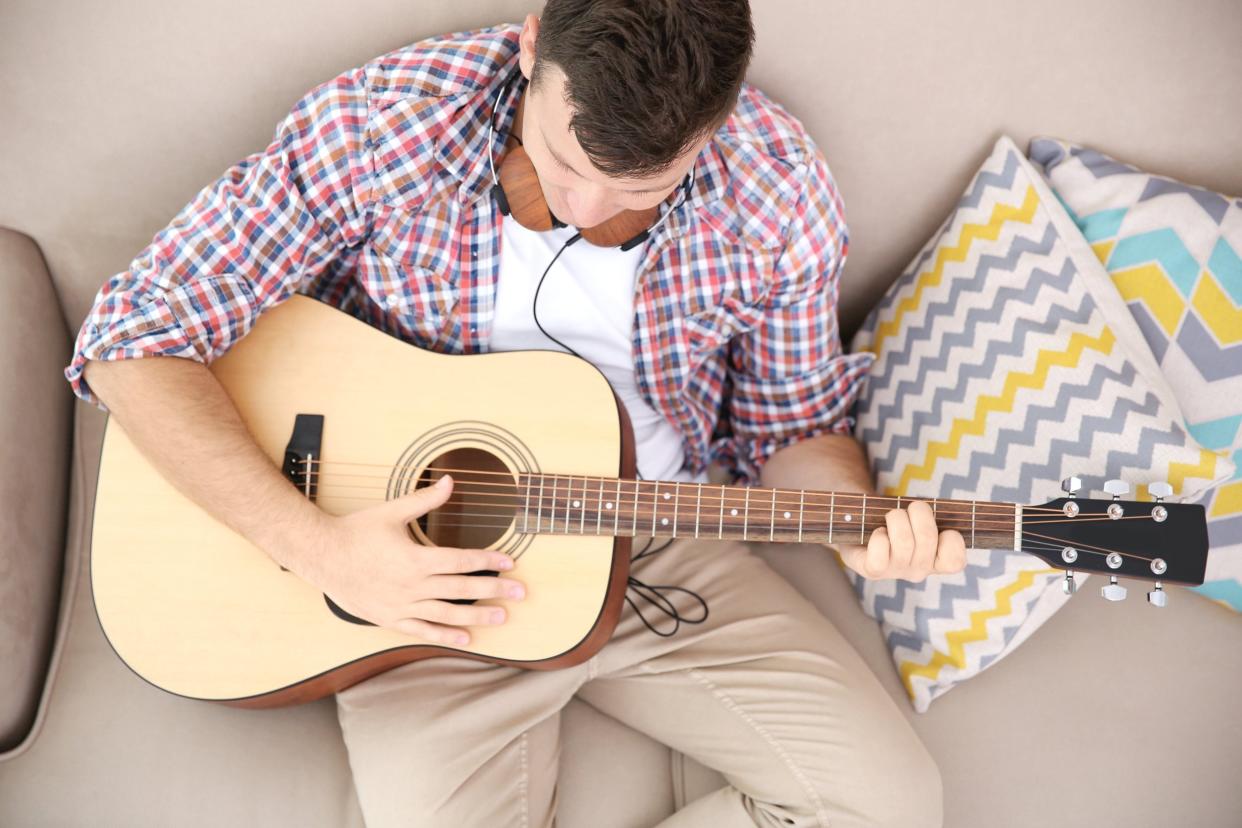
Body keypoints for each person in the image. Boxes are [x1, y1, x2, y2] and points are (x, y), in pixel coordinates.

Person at [67, 2, 966, 825]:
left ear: (714, 125)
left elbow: (792, 426)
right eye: (567, 164)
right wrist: (320, 548)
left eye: (642, 189)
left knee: (891, 806)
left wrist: (857, 523)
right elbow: (131, 340)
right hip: (409, 574)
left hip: (652, 531)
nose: (583, 210)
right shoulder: (388, 123)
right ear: (533, 43)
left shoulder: (778, 191)